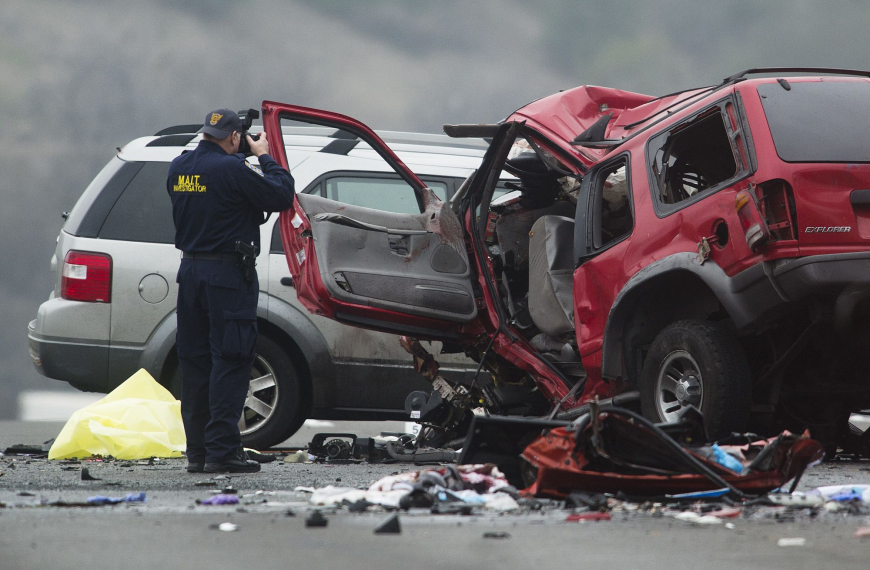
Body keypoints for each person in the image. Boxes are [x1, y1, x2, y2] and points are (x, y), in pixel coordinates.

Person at [167, 109, 296, 474]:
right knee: (232, 359)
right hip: (226, 276)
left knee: (196, 364)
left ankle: (198, 453)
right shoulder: (232, 169)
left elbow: (212, 198)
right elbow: (282, 194)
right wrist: (264, 155)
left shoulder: (179, 167)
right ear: (235, 137)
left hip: (190, 273)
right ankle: (222, 452)